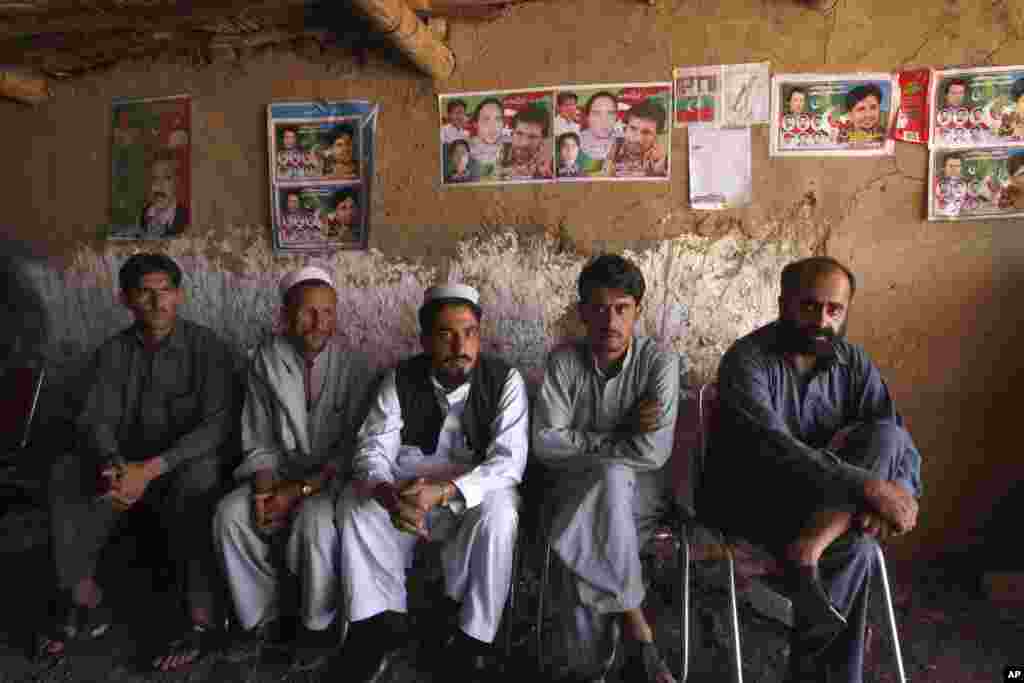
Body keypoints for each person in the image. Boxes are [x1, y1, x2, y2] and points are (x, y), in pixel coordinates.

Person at [700, 256, 923, 683]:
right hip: (753, 500)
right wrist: (871, 488)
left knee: (886, 442)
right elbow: (776, 451)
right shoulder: (747, 361)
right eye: (809, 306)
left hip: (820, 508)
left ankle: (810, 550)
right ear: (784, 303)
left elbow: (896, 439)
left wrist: (902, 491)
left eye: (834, 310)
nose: (821, 320)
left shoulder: (852, 362)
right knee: (856, 545)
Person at [36, 254, 237, 672]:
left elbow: (218, 425)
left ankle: (200, 621)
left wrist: (151, 470)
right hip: (126, 471)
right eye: (144, 292)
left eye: (165, 290)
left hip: (178, 468)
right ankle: (85, 602)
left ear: (179, 295)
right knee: (66, 473)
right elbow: (96, 420)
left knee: (200, 477)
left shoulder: (207, 348)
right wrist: (114, 467)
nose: (156, 301)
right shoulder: (113, 352)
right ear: (126, 299)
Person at [336, 284, 528, 682]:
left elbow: (509, 463)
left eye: (470, 332)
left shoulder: (504, 380)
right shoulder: (399, 379)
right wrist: (389, 497)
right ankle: (380, 630)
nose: (461, 344)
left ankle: (474, 640)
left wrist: (445, 491)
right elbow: (372, 451)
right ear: (424, 340)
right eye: (446, 334)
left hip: (471, 493)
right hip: (408, 494)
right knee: (356, 506)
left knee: (502, 511)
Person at [213, 266, 375, 671]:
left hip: (333, 481)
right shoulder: (265, 361)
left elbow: (354, 449)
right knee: (232, 515)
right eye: (307, 312)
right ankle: (261, 620)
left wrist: (300, 491)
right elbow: (258, 439)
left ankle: (316, 628)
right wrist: (268, 491)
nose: (319, 323)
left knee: (316, 524)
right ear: (285, 316)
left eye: (328, 312)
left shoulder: (355, 367)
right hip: (279, 475)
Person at [532, 255, 681, 683]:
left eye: (622, 308)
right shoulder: (563, 363)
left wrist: (584, 443)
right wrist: (619, 435)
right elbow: (544, 443)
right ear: (582, 313)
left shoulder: (659, 365)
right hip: (573, 491)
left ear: (638, 310)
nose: (610, 321)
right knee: (595, 505)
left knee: (582, 530)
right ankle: (639, 633)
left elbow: (652, 453)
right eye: (598, 308)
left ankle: (587, 671)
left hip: (641, 500)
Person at [607, 99, 668, 178]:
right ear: (625, 128)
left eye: (646, 132)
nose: (638, 139)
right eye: (633, 128)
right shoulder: (610, 146)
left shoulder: (661, 159)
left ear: (656, 136)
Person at [138, 152, 189, 238]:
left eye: (167, 178)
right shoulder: (145, 214)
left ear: (177, 182)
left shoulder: (185, 217)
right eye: (155, 178)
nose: (159, 185)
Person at [499, 104, 553, 180]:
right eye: (519, 134)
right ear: (512, 133)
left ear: (542, 139)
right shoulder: (499, 151)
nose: (524, 143)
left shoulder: (549, 164)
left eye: (533, 137)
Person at [579, 91, 619, 169]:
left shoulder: (623, 142)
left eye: (610, 113)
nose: (604, 120)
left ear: (616, 117)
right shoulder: (575, 141)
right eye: (596, 113)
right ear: (588, 117)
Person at [468, 97, 505, 178]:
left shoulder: (510, 146)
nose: (493, 126)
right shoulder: (466, 150)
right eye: (486, 119)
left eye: (498, 119)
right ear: (476, 124)